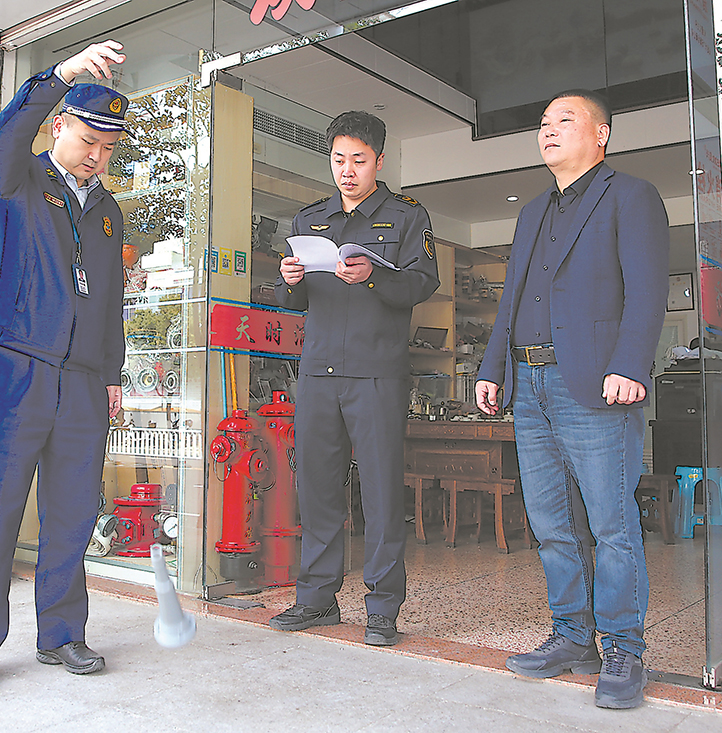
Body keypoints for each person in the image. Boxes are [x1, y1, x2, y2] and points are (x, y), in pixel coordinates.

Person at [475, 89, 669, 709]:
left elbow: (647, 290)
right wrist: (493, 366)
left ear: (601, 133)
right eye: (543, 123)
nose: (549, 130)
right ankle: (571, 635)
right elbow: (512, 296)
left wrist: (630, 364)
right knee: (550, 523)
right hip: (529, 384)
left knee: (611, 523)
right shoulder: (533, 211)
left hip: (594, 382)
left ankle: (623, 648)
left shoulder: (630, 196)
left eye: (565, 120)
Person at [0, 41, 128, 693]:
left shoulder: (108, 214)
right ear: (59, 128)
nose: (96, 156)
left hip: (82, 383)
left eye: (108, 147)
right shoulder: (19, 179)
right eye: (88, 140)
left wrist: (112, 375)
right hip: (16, 371)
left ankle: (62, 633)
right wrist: (58, 75)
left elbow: (110, 303)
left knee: (73, 512)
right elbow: (6, 133)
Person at [270, 111, 440, 646]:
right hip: (318, 372)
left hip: (376, 374)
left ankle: (383, 608)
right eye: (339, 160)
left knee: (382, 493)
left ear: (379, 161)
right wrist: (289, 280)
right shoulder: (309, 219)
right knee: (317, 488)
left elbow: (422, 283)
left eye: (358, 161)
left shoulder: (407, 216)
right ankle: (317, 598)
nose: (347, 171)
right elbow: (295, 302)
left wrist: (374, 277)